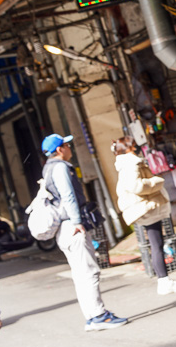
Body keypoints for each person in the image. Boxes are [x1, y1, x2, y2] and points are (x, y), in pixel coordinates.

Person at [41, 134, 127, 331]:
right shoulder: (61, 167)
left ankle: (91, 316)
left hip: (63, 228)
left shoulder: (47, 168)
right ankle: (98, 316)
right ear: (60, 149)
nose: (70, 147)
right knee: (89, 272)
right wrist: (78, 222)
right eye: (67, 145)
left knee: (80, 274)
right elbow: (68, 195)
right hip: (72, 226)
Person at [112, 137, 176, 296]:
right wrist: (157, 181)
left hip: (146, 207)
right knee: (156, 244)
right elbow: (136, 186)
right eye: (134, 146)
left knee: (157, 244)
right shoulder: (130, 163)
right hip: (146, 207)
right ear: (128, 148)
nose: (137, 148)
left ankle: (164, 280)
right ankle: (163, 281)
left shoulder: (128, 163)